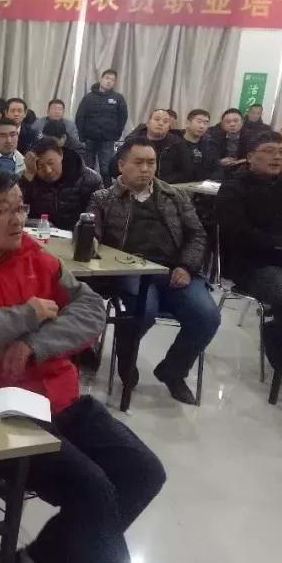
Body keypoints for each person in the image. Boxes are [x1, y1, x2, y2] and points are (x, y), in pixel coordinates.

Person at [0, 169, 164, 563]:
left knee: (144, 472)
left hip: (61, 399)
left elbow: (91, 309)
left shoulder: (38, 258)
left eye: (20, 207)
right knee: (93, 491)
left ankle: (37, 560)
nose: (17, 219)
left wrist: (34, 345)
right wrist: (24, 314)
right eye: (3, 210)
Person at [87, 139, 220, 404]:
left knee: (207, 317)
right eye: (138, 163)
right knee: (142, 313)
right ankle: (126, 356)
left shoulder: (174, 196)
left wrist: (186, 266)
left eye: (151, 163)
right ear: (122, 165)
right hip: (130, 271)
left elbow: (197, 235)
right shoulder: (103, 198)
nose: (146, 169)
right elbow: (92, 233)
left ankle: (173, 371)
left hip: (174, 270)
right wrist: (90, 241)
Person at [217, 131, 282, 375]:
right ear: (250, 157)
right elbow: (238, 233)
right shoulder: (234, 188)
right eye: (268, 151)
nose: (277, 157)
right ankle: (281, 340)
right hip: (254, 264)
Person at [19, 137, 101, 230]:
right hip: (40, 233)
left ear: (61, 155)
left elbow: (94, 220)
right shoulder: (31, 179)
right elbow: (18, 208)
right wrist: (27, 177)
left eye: (51, 163)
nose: (48, 170)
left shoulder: (89, 180)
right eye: (40, 166)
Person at [76, 69, 128, 181]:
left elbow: (123, 117)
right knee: (88, 168)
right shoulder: (88, 98)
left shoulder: (118, 98)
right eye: (107, 78)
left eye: (112, 80)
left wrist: (117, 134)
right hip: (89, 138)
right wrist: (81, 136)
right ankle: (88, 189)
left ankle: (107, 189)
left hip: (107, 139)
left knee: (106, 169)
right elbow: (80, 117)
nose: (109, 81)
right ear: (101, 79)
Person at [122, 109, 195, 183]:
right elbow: (118, 168)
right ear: (148, 123)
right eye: (157, 119)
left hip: (167, 186)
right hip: (135, 184)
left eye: (165, 121)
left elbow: (187, 172)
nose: (160, 123)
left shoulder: (178, 144)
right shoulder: (132, 142)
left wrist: (160, 183)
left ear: (169, 127)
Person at [206, 108, 250, 174]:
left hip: (243, 170)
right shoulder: (214, 136)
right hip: (220, 170)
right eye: (228, 122)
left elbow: (255, 157)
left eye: (236, 121)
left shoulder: (252, 136)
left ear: (242, 122)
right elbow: (209, 157)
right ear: (222, 124)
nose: (232, 124)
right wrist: (219, 162)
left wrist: (239, 162)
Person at [181, 109, 221, 181]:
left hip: (204, 185)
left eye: (206, 123)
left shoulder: (210, 146)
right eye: (199, 122)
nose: (202, 126)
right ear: (188, 123)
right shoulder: (174, 145)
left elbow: (217, 170)